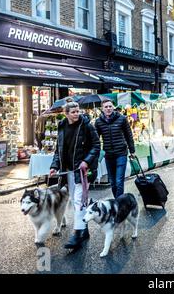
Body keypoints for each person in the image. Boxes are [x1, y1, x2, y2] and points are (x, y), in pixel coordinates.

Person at [49, 102, 100, 249]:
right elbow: (58, 151)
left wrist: (86, 161)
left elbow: (96, 146)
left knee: (78, 200)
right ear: (66, 113)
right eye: (73, 112)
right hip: (68, 171)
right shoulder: (62, 126)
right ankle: (84, 230)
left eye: (78, 111)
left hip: (83, 171)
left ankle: (77, 234)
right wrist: (54, 166)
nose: (77, 114)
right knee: (78, 201)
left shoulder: (87, 125)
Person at [95, 100, 136, 198]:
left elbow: (128, 135)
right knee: (112, 182)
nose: (108, 108)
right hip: (108, 155)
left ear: (113, 107)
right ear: (102, 109)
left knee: (119, 181)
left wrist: (132, 150)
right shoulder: (98, 122)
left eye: (110, 106)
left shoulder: (122, 119)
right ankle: (118, 201)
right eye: (106, 107)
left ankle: (118, 204)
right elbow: (95, 139)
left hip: (121, 153)